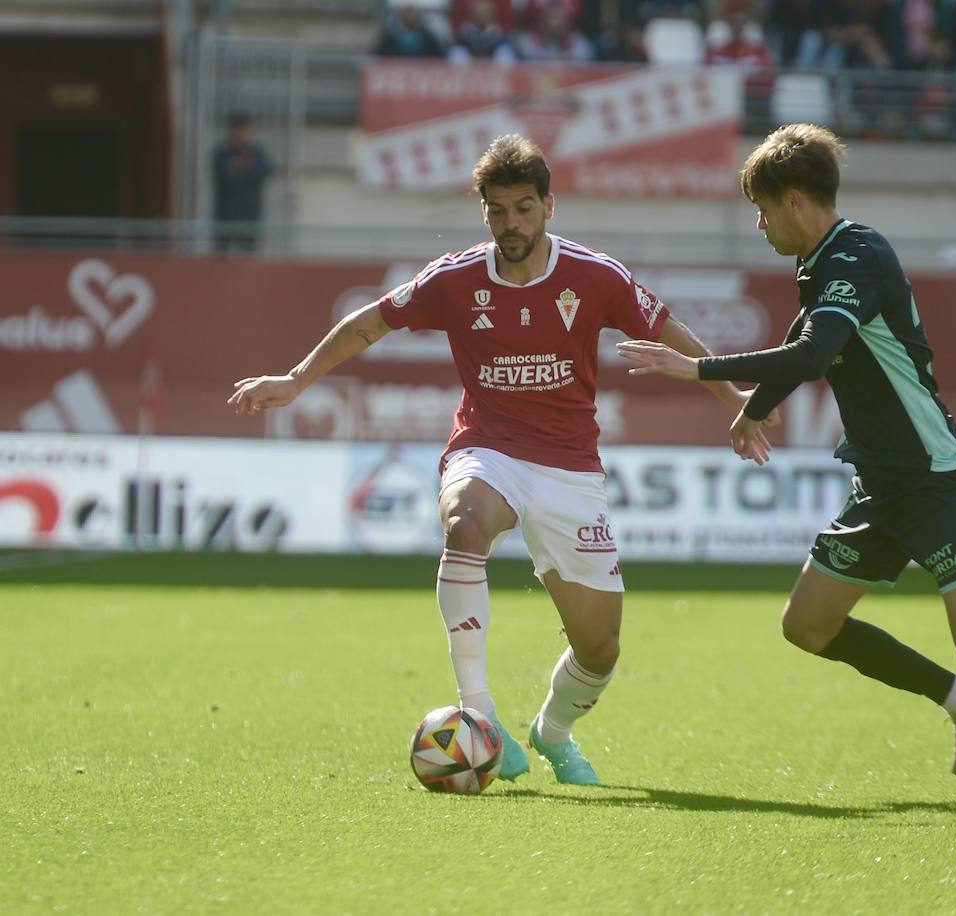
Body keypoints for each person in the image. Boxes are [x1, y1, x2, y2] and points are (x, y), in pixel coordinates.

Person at [228, 135, 764, 785]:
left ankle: (554, 731)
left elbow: (665, 328)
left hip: (569, 468)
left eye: (524, 209)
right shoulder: (453, 280)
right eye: (498, 210)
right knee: (466, 524)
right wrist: (296, 379)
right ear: (483, 211)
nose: (512, 223)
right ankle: (479, 717)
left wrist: (732, 394)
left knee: (600, 649)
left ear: (549, 207)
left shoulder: (595, 277)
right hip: (489, 448)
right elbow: (368, 322)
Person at [617, 123, 956, 776]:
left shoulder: (857, 254)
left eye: (762, 209)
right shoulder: (821, 264)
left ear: (796, 201)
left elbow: (812, 353)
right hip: (881, 486)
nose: (759, 225)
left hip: (937, 482)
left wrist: (693, 369)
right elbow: (803, 339)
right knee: (808, 627)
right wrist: (753, 408)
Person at [212, 113, 272, 253]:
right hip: (225, 216)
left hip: (249, 215)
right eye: (236, 130)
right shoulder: (221, 154)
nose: (239, 134)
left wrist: (240, 171)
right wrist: (244, 171)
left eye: (243, 130)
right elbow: (224, 174)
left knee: (249, 258)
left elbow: (265, 170)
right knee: (220, 259)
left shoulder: (257, 153)